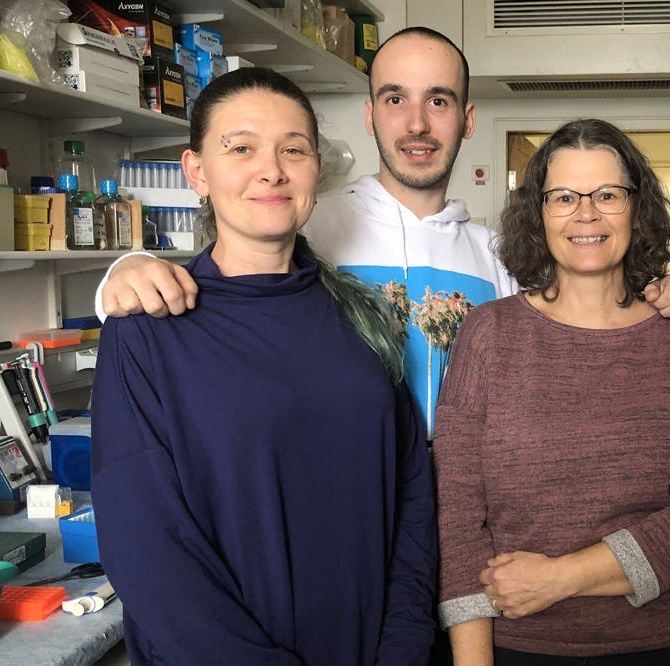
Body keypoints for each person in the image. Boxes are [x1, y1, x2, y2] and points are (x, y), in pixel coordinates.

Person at [93, 26, 670, 438]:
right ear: (370, 114)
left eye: (438, 101)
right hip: (347, 497)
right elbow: (204, 284)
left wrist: (664, 294)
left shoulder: (500, 254)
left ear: (466, 120)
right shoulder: (309, 226)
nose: (416, 123)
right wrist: (123, 271)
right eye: (394, 99)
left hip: (471, 505)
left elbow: (585, 313)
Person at [91, 67, 436, 665]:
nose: (271, 169)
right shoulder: (148, 330)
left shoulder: (363, 316)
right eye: (241, 147)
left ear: (314, 171)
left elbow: (411, 497)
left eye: (293, 150)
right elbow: (148, 550)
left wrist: (403, 649)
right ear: (196, 171)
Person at [433, 118, 670, 665]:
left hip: (658, 647)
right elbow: (458, 521)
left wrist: (560, 578)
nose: (586, 214)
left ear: (637, 206)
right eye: (564, 197)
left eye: (607, 194)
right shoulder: (489, 334)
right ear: (539, 212)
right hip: (513, 647)